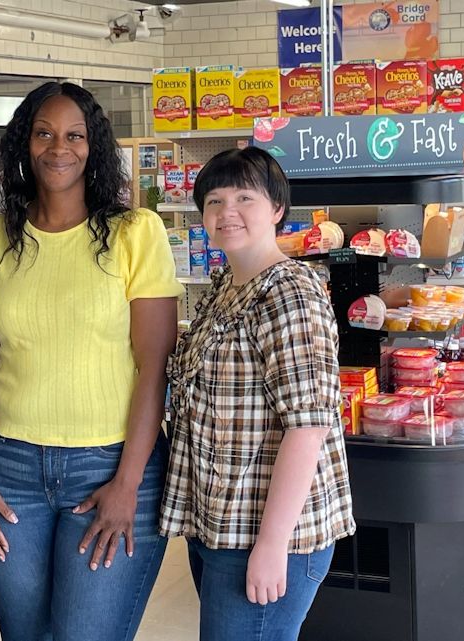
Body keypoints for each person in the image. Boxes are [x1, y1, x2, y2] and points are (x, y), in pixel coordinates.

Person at [0, 81, 182, 641]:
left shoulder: (134, 232)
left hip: (108, 467)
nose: (60, 147)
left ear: (93, 145)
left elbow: (154, 366)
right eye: (44, 133)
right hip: (7, 473)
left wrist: (128, 483)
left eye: (75, 135)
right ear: (23, 144)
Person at [159, 147, 356, 641]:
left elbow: (308, 425)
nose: (227, 212)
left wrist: (272, 544)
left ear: (276, 209)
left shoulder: (289, 293)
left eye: (245, 197)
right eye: (214, 200)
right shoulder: (226, 286)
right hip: (219, 523)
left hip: (268, 533)